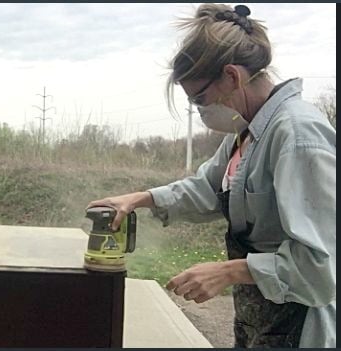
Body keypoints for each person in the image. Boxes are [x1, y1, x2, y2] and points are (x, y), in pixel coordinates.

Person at [87, 4, 336, 348]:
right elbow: (206, 188)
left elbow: (322, 267)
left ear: (232, 77)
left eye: (200, 98)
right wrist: (141, 198)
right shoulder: (246, 132)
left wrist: (228, 271)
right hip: (262, 321)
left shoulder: (298, 135)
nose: (201, 110)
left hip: (301, 325)